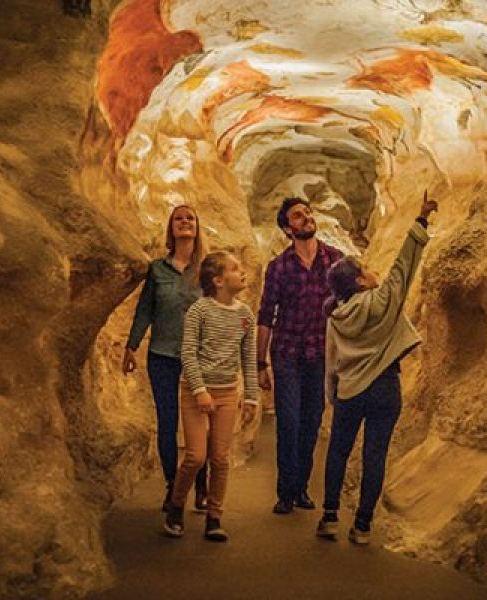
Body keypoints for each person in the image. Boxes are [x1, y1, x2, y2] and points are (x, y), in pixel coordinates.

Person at [316, 193, 438, 544]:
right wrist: (420, 221)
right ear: (360, 281)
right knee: (375, 455)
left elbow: (331, 362)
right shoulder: (382, 301)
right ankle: (363, 525)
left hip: (350, 390)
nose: (374, 272)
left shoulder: (335, 317)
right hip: (384, 387)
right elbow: (404, 266)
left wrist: (333, 397)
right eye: (366, 270)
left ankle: (328, 516)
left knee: (338, 450)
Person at [257, 198, 343, 514]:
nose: (306, 217)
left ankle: (302, 487)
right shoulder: (278, 267)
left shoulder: (335, 261)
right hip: (287, 352)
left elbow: (347, 311)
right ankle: (286, 491)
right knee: (289, 421)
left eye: (307, 212)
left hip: (320, 354)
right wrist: (260, 363)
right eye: (298, 215)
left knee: (311, 421)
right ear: (286, 228)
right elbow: (266, 314)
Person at [165, 251, 258, 541]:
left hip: (227, 392)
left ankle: (214, 517)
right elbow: (188, 352)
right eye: (235, 269)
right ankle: (176, 505)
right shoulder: (199, 311)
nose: (242, 272)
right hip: (196, 391)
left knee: (220, 458)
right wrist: (200, 390)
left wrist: (252, 396)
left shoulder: (245, 315)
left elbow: (248, 357)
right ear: (218, 280)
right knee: (195, 456)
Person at [122, 205, 208, 513]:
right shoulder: (158, 269)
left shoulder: (207, 270)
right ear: (171, 229)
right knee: (168, 423)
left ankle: (201, 486)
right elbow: (146, 309)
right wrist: (131, 346)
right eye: (178, 219)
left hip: (198, 359)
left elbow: (218, 309)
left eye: (190, 218)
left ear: (197, 227)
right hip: (163, 356)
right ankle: (174, 487)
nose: (185, 222)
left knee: (200, 423)